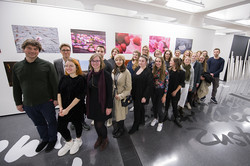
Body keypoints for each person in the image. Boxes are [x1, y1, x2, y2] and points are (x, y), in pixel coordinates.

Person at [12, 39, 58, 153]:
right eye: (29, 48)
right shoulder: (17, 67)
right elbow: (16, 86)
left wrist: (56, 99)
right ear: (24, 49)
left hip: (46, 102)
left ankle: (53, 139)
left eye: (35, 49)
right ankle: (45, 139)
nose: (32, 51)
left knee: (51, 121)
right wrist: (18, 102)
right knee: (39, 123)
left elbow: (54, 84)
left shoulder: (47, 65)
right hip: (28, 104)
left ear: (38, 51)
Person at [54, 43, 90, 131]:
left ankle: (82, 122)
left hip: (75, 88)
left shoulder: (76, 60)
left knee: (79, 108)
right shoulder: (56, 62)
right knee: (67, 109)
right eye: (64, 50)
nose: (66, 52)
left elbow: (78, 73)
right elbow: (56, 76)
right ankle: (73, 122)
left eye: (67, 50)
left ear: (70, 51)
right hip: (64, 89)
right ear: (60, 51)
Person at [57, 58, 86, 156]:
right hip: (63, 108)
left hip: (76, 107)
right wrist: (60, 108)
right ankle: (69, 142)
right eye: (66, 66)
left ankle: (78, 140)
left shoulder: (81, 79)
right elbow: (59, 93)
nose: (68, 68)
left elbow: (79, 97)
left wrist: (67, 110)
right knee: (60, 127)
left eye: (71, 66)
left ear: (76, 67)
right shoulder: (63, 78)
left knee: (77, 124)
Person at [86, 53, 113, 151]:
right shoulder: (89, 74)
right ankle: (99, 137)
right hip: (92, 104)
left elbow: (110, 92)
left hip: (103, 104)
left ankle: (105, 138)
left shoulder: (106, 75)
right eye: (93, 61)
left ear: (101, 62)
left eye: (97, 61)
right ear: (90, 62)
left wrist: (109, 107)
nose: (95, 63)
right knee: (96, 123)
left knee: (100, 124)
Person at [129, 55, 153, 134]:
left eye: (143, 61)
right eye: (139, 61)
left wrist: (145, 97)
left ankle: (135, 126)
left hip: (142, 94)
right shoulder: (137, 69)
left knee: (137, 109)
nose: (141, 62)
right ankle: (141, 121)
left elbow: (149, 86)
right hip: (135, 92)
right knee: (140, 108)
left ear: (146, 62)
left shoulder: (148, 71)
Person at [111, 54, 132, 138]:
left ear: (123, 61)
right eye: (117, 60)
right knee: (115, 113)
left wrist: (121, 96)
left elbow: (129, 87)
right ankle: (117, 127)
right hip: (113, 95)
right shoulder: (114, 70)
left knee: (121, 114)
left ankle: (121, 129)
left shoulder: (127, 72)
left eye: (120, 60)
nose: (118, 61)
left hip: (121, 97)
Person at [165, 57, 185, 128]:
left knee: (174, 105)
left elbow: (182, 83)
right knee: (166, 104)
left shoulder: (182, 72)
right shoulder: (169, 70)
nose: (169, 62)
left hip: (175, 91)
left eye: (171, 61)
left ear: (175, 63)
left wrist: (176, 91)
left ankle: (176, 118)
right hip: (168, 91)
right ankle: (165, 115)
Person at [150, 57, 169, 132]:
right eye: (156, 61)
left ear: (162, 62)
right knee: (154, 107)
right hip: (154, 91)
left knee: (159, 108)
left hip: (161, 91)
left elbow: (167, 85)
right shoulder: (153, 70)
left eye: (159, 61)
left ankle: (160, 122)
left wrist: (164, 95)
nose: (157, 63)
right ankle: (155, 118)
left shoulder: (165, 72)